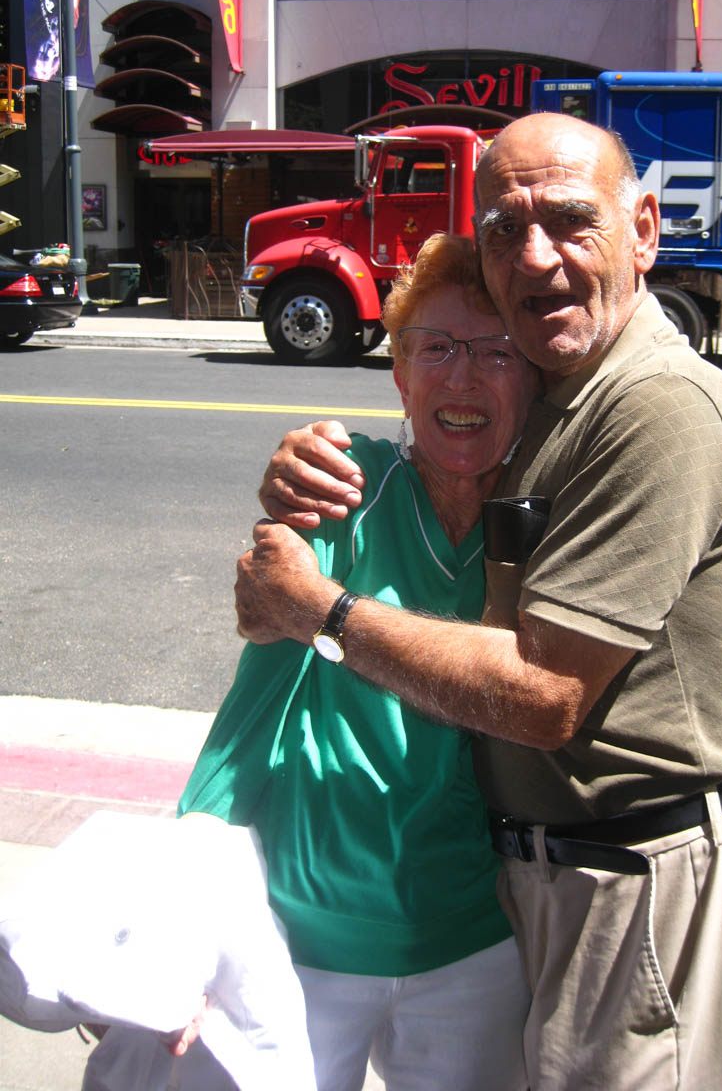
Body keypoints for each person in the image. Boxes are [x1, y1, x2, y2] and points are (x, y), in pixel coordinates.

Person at [237, 112, 722, 1091]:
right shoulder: (560, 388)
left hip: (644, 881)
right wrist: (310, 465)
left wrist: (322, 610)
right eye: (504, 229)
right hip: (546, 883)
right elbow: (447, 409)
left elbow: (544, 693)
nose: (536, 257)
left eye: (571, 219)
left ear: (644, 232)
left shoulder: (659, 407)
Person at [179, 233, 538, 1091]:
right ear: (399, 377)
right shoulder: (342, 488)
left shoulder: (548, 526)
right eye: (434, 348)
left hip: (475, 944)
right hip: (299, 943)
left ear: (533, 379)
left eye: (495, 352)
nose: (463, 377)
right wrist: (185, 910)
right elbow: (253, 704)